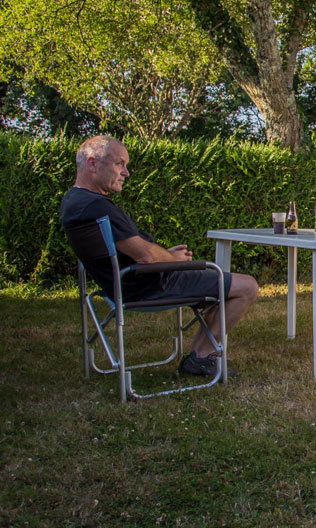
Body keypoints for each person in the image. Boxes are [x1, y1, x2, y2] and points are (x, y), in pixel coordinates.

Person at [59, 135, 259, 377]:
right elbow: (145, 256)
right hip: (148, 284)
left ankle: (199, 354)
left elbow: (136, 250)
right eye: (119, 164)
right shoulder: (97, 207)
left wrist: (166, 255)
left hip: (128, 282)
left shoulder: (75, 201)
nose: (127, 172)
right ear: (92, 164)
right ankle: (201, 357)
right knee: (247, 286)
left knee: (218, 285)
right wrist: (174, 261)